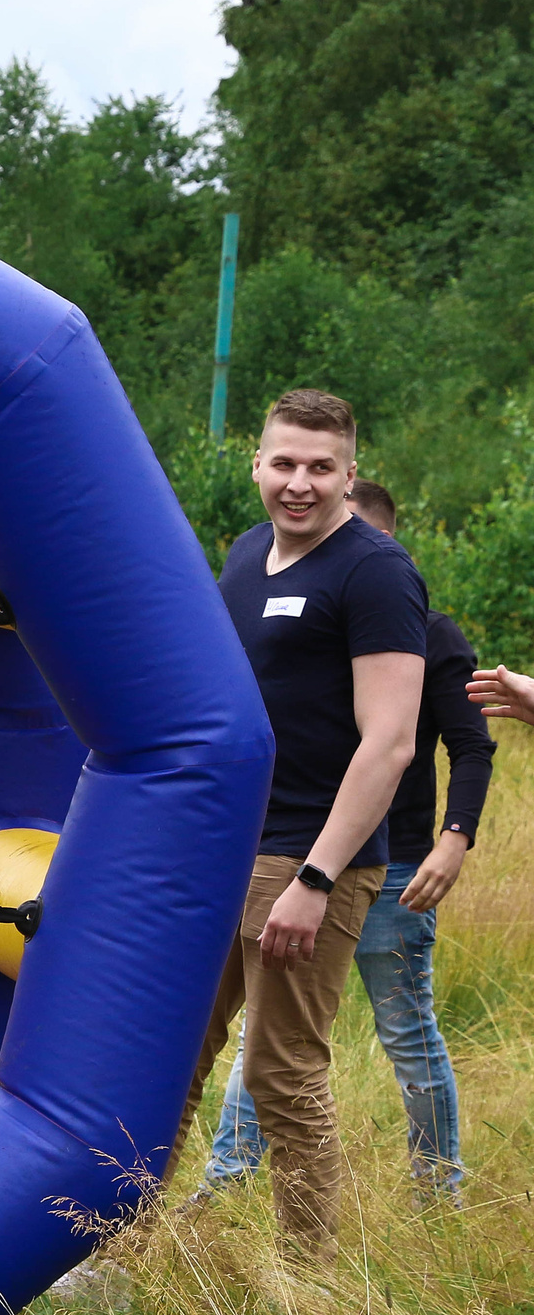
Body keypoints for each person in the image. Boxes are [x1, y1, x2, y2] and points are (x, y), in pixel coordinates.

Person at [176, 390, 425, 1255]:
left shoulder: (375, 570)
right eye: (284, 462)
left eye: (322, 467)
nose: (300, 483)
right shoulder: (245, 556)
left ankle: (308, 1272)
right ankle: (112, 1246)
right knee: (167, 1054)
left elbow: (388, 744)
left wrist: (316, 880)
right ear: (256, 463)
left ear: (350, 475)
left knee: (280, 1075)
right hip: (223, 850)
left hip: (312, 860)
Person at [199, 478, 490, 1203]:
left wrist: (454, 839)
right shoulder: (276, 590)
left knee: (399, 1035)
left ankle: (437, 1186)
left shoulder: (423, 626)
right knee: (255, 1050)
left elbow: (465, 746)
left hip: (389, 864)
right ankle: (221, 1182)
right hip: (272, 851)